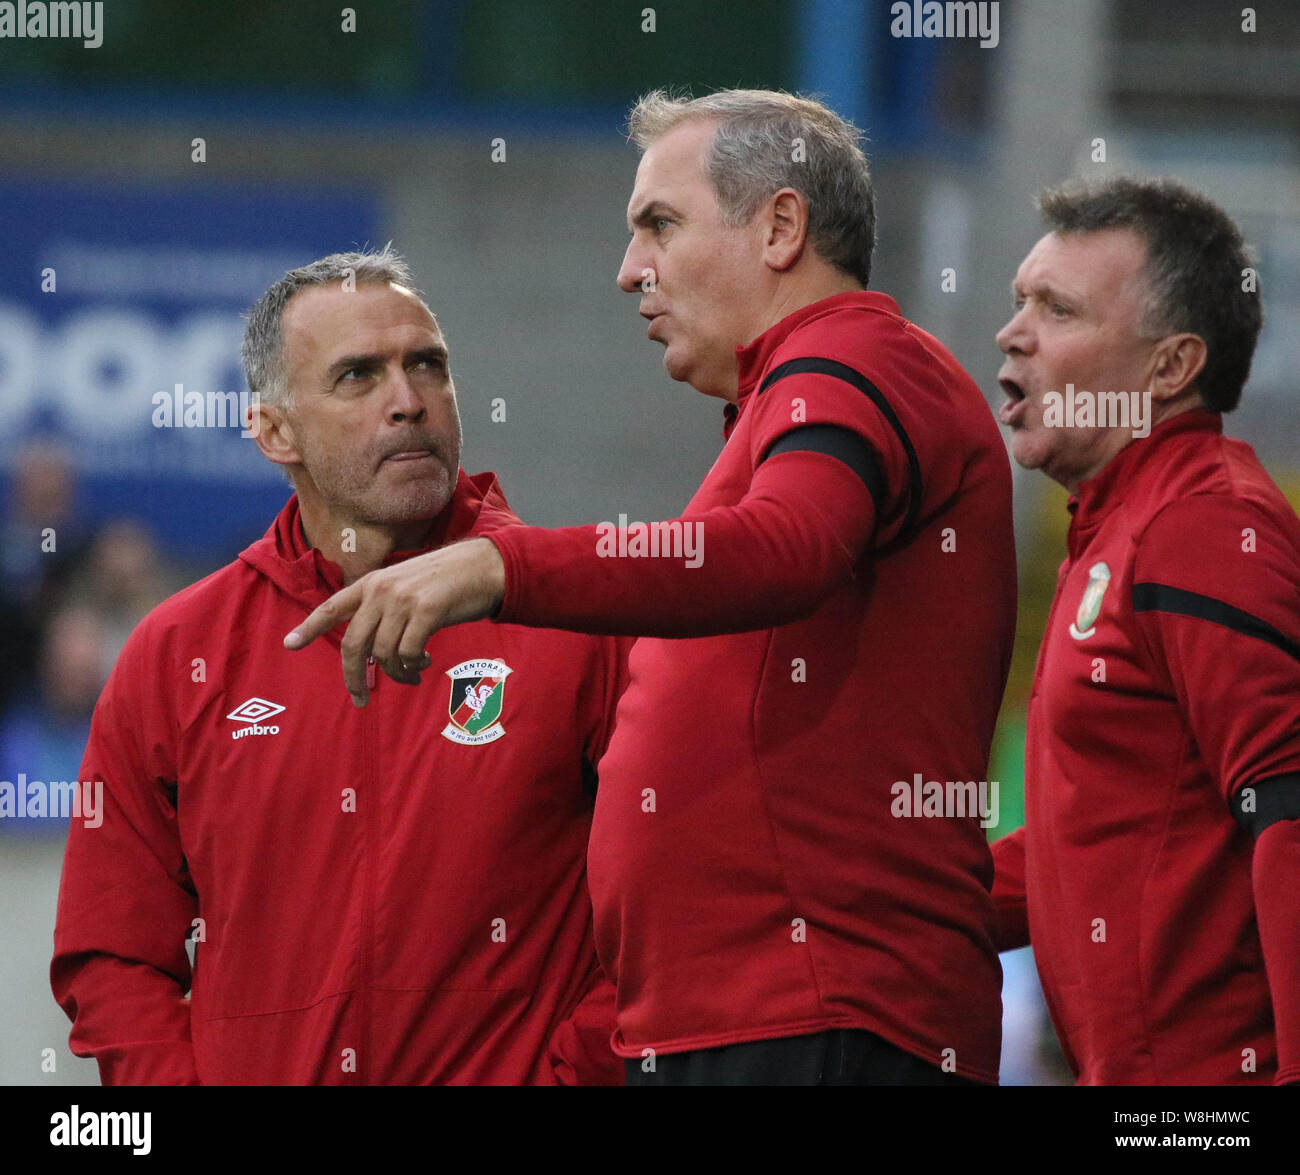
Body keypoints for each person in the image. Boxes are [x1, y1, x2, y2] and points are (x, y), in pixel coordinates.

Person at [287, 90, 1017, 1086]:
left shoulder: (852, 356)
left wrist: (505, 565)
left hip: (814, 1021)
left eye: (659, 225)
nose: (629, 269)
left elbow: (786, 546)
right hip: (758, 1020)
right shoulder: (797, 395)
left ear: (780, 227)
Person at [51, 249, 626, 1085]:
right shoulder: (178, 654)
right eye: (358, 376)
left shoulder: (584, 617)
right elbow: (111, 952)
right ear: (274, 430)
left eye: (427, 365)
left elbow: (679, 915)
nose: (408, 402)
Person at [988, 176, 1300, 1084]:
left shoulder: (1200, 526)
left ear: (1169, 368)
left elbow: (1287, 805)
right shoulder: (1117, 535)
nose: (1014, 332)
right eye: (1018, 301)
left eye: (1058, 308)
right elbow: (1102, 845)